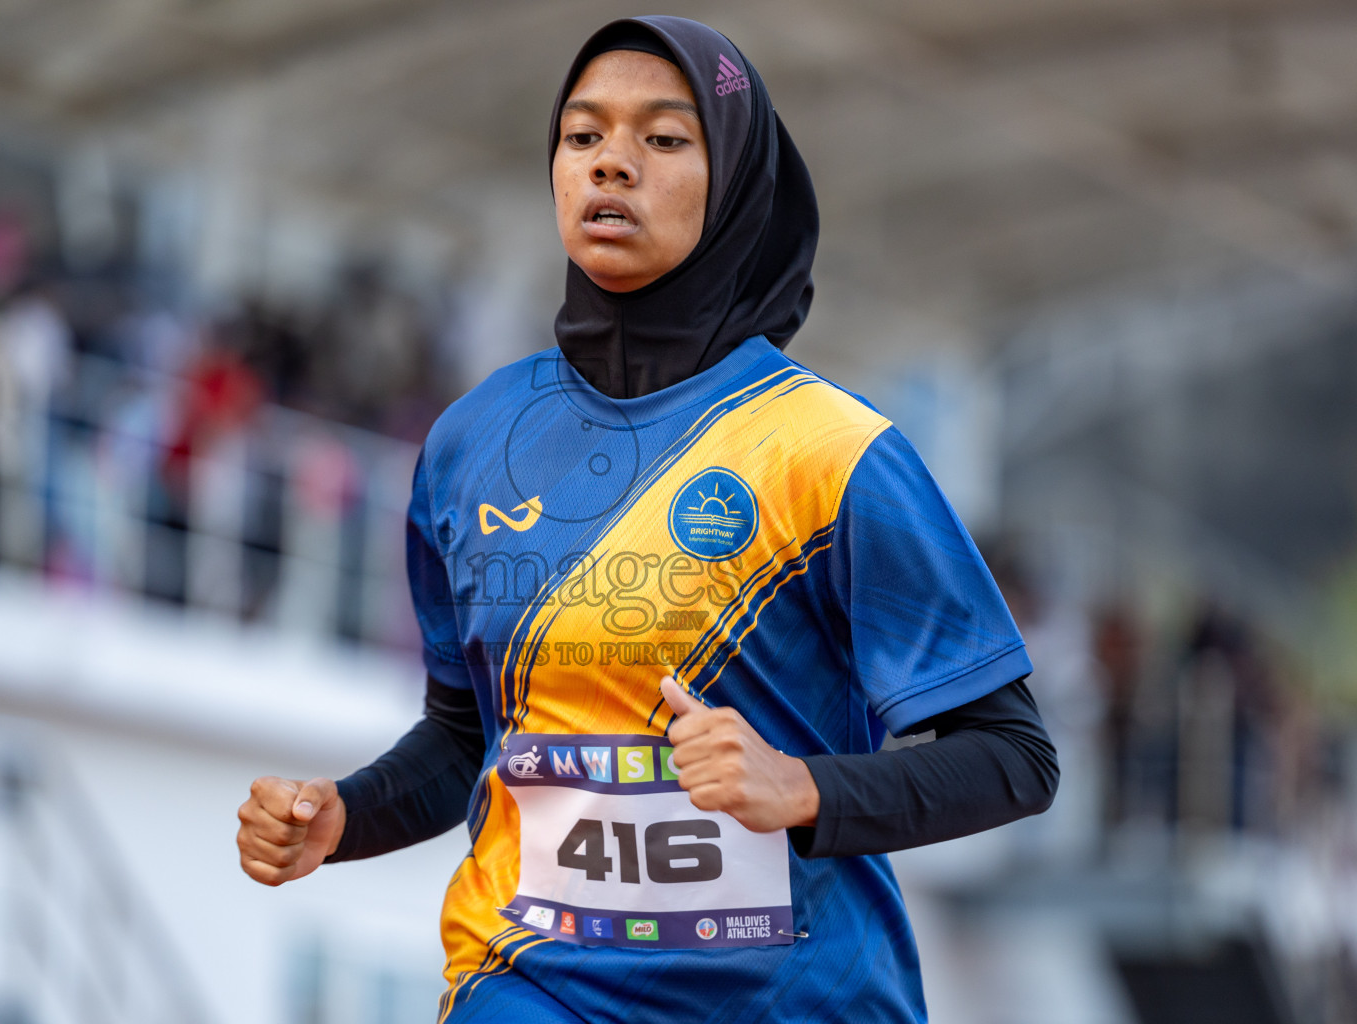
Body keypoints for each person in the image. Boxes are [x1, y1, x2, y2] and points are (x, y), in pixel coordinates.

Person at [237, 16, 1058, 1023]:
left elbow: (1015, 757)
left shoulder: (833, 452)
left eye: (663, 139)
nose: (611, 164)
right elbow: (467, 738)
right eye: (583, 137)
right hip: (529, 987)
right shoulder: (469, 442)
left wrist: (802, 787)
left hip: (797, 1002)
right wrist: (344, 815)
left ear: (735, 186)